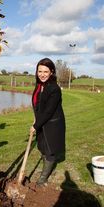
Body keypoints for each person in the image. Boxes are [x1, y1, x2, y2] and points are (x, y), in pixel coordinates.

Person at [30, 58, 66, 186]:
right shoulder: (40, 85)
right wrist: (36, 118)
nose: (42, 74)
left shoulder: (54, 89)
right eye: (40, 71)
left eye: (46, 71)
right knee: (42, 147)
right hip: (42, 121)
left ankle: (42, 179)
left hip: (53, 124)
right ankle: (46, 166)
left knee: (50, 150)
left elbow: (48, 111)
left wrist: (35, 125)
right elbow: (38, 104)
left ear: (51, 72)